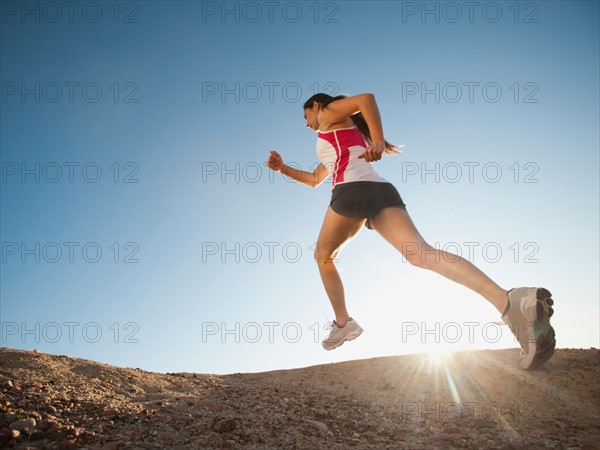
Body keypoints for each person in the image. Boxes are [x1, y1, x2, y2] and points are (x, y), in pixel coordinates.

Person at [266, 92, 555, 370]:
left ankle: (344, 324)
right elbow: (316, 179)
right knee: (421, 255)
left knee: (322, 257)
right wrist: (283, 170)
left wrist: (378, 141)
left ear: (317, 105)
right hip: (380, 193)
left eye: (306, 116)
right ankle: (510, 302)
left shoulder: (329, 113)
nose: (307, 124)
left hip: (351, 190)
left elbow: (366, 99)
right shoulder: (340, 137)